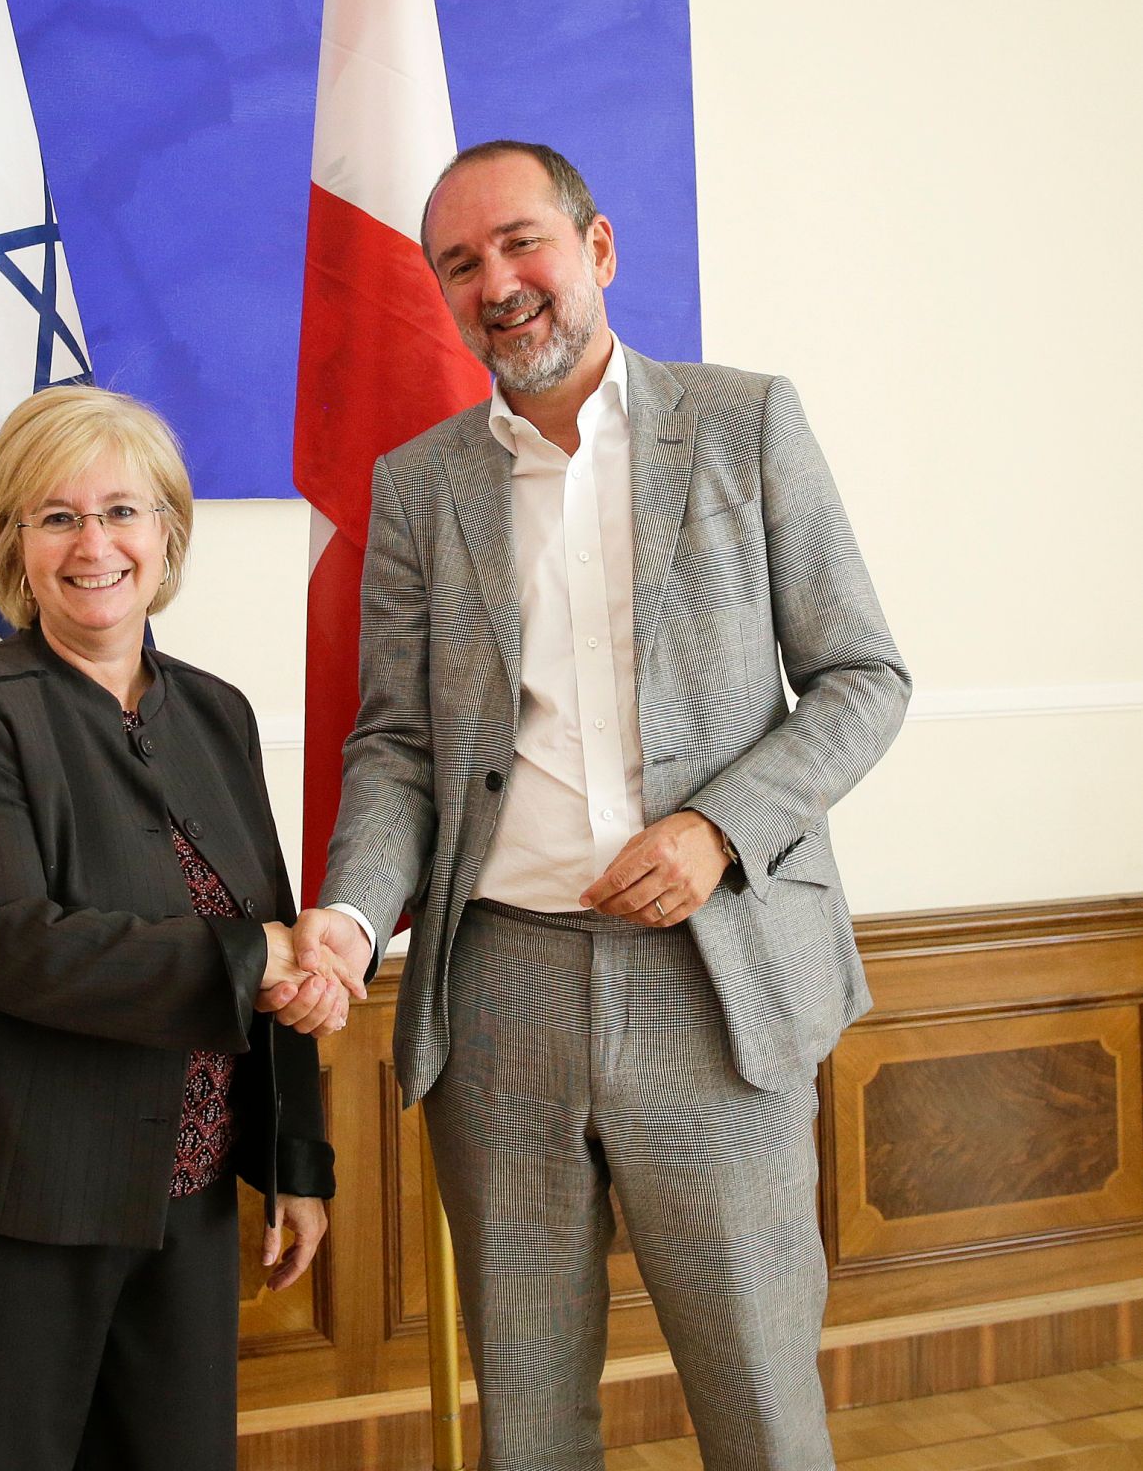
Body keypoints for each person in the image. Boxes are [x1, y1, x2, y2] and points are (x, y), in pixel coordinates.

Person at [290, 141, 911, 1470]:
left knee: (757, 1407)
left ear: (598, 249)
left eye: (521, 244)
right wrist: (348, 916)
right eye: (458, 264)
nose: (496, 283)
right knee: (525, 1421)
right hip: (498, 998)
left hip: (717, 985)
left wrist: (716, 831)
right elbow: (396, 746)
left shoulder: (745, 424)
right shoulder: (417, 488)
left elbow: (863, 679)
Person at [0, 384, 351, 1471]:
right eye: (57, 516)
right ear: (14, 545)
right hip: (6, 1199)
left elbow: (266, 925)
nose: (96, 543)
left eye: (123, 510)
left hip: (181, 1203)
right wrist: (257, 956)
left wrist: (295, 1158)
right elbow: (13, 944)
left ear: (167, 532)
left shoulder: (216, 709)